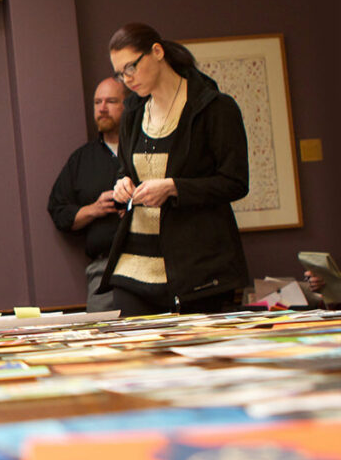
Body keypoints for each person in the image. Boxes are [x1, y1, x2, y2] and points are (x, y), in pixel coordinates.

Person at [101, 23, 249, 316]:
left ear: (157, 52)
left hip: (196, 267)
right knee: (134, 356)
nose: (127, 79)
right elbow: (126, 169)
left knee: (198, 359)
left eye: (131, 66)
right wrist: (122, 182)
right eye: (120, 73)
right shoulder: (132, 112)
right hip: (134, 265)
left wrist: (174, 187)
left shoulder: (215, 108)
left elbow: (235, 182)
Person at [48, 78, 128, 312]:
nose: (102, 108)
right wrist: (95, 209)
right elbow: (58, 211)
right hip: (103, 271)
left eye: (111, 101)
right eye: (97, 102)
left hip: (150, 263)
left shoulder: (144, 149)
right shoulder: (81, 160)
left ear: (128, 105)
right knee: (102, 341)